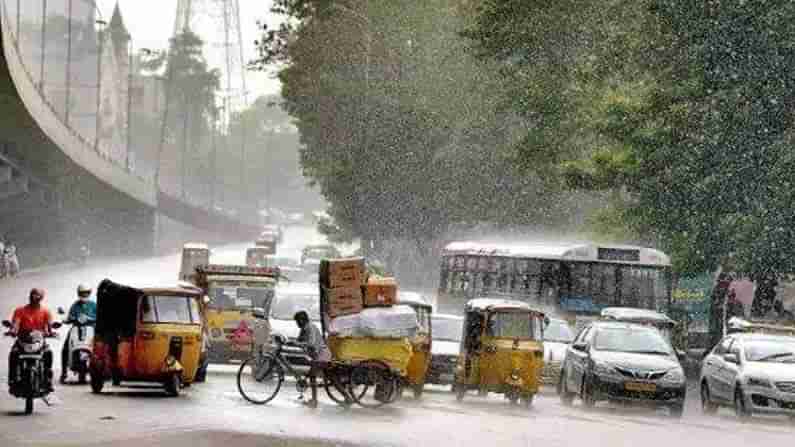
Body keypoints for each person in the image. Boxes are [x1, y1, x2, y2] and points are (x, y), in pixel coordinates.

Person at [7, 288, 56, 392]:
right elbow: (16, 323)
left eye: (37, 296)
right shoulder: (20, 310)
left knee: (48, 353)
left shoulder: (45, 312)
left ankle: (48, 379)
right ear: (29, 297)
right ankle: (12, 379)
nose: (34, 298)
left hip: (39, 341)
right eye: (33, 295)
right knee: (13, 354)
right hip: (23, 339)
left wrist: (50, 332)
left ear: (41, 299)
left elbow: (49, 326)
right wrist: (13, 330)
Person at [293, 310, 331, 407]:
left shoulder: (311, 327)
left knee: (312, 376)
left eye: (297, 321)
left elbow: (311, 343)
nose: (297, 324)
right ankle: (347, 397)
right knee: (332, 378)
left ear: (302, 320)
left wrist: (299, 344)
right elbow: (298, 340)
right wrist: (291, 342)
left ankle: (314, 401)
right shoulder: (303, 329)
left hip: (322, 355)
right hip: (318, 356)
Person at [60, 284, 97, 383]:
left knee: (102, 346)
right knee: (65, 348)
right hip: (76, 328)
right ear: (79, 293)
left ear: (89, 293)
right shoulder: (75, 305)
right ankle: (64, 372)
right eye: (82, 293)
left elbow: (100, 317)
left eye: (86, 293)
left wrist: (90, 318)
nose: (84, 295)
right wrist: (67, 320)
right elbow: (69, 317)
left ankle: (103, 371)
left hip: (91, 329)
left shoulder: (94, 305)